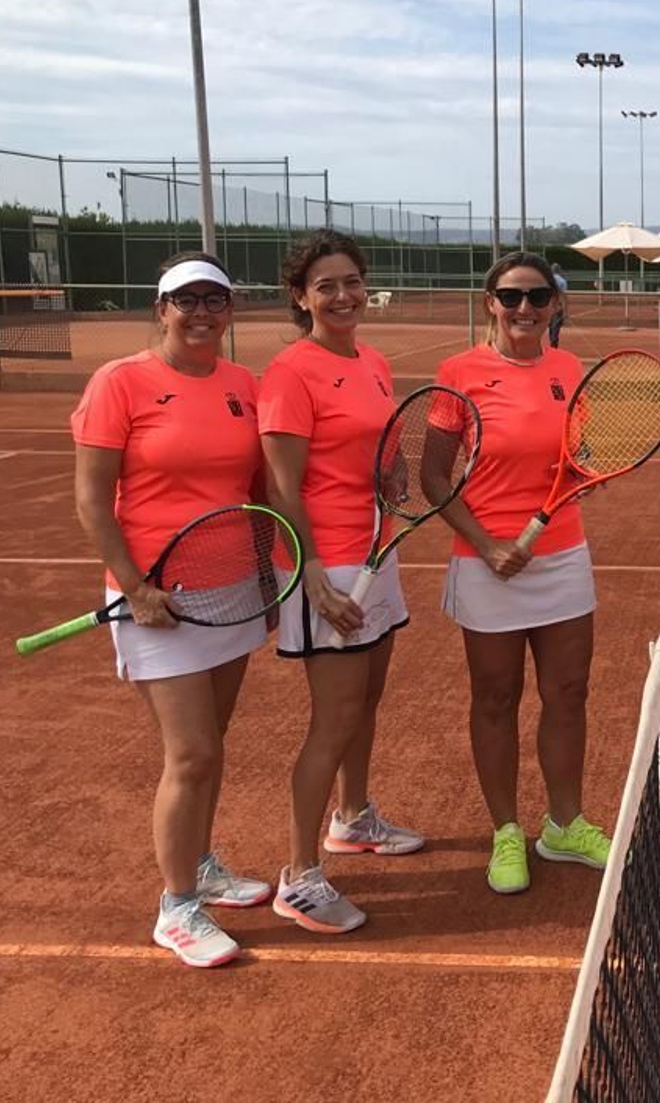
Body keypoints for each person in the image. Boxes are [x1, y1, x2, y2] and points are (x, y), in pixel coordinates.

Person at [70, 251, 272, 968]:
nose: (200, 313)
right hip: (156, 597)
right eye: (185, 300)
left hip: (231, 590)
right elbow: (93, 499)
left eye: (214, 300)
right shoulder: (119, 383)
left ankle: (204, 863)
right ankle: (177, 906)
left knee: (213, 741)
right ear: (161, 308)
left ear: (229, 311)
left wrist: (267, 582)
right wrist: (133, 586)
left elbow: (258, 488)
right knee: (190, 754)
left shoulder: (244, 385)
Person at [259, 229, 423, 934]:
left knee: (368, 700)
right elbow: (281, 485)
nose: (343, 295)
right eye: (325, 285)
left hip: (375, 550)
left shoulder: (374, 362)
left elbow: (373, 454)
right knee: (333, 719)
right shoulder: (290, 373)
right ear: (301, 297)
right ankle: (299, 877)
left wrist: (390, 476)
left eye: (352, 281)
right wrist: (313, 574)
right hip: (325, 563)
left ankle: (353, 818)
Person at [434, 252, 612, 895]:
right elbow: (434, 477)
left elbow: (572, 453)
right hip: (487, 563)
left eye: (538, 298)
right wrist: (486, 544)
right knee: (496, 698)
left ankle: (563, 823)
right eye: (511, 297)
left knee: (569, 693)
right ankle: (506, 830)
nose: (524, 310)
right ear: (490, 303)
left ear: (555, 306)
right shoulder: (458, 374)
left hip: (561, 554)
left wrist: (581, 471)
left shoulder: (568, 370)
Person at [548, 262, 569, 348]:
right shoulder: (562, 281)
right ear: (559, 270)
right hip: (558, 308)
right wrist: (565, 311)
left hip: (548, 308)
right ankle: (553, 348)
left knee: (551, 328)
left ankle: (551, 346)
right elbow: (563, 297)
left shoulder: (547, 280)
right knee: (555, 330)